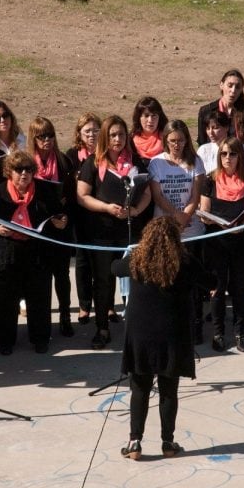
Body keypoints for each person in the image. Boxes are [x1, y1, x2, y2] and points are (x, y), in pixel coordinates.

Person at [115, 216, 215, 460]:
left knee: (140, 388)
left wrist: (135, 252)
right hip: (173, 333)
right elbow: (211, 282)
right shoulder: (185, 262)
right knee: (169, 389)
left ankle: (135, 441)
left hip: (141, 333)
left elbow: (114, 268)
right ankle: (168, 442)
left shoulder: (136, 261)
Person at [0, 151, 67, 355]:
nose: (24, 174)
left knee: (39, 296)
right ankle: (6, 340)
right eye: (19, 170)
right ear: (9, 172)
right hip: (6, 251)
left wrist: (61, 222)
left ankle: (40, 338)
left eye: (28, 170)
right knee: (5, 298)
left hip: (36, 251)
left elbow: (59, 216)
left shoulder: (45, 191)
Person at [77, 115, 151, 350]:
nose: (117, 139)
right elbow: (82, 196)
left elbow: (147, 191)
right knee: (103, 281)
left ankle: (136, 327)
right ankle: (102, 328)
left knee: (135, 280)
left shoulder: (136, 161)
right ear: (104, 138)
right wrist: (106, 207)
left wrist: (136, 209)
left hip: (128, 230)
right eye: (112, 135)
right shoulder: (92, 163)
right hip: (102, 231)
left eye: (121, 134)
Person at [149, 119, 206, 343]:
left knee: (191, 282)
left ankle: (196, 326)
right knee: (166, 281)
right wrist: (175, 217)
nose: (176, 145)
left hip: (191, 231)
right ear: (165, 141)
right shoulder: (156, 163)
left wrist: (185, 216)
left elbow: (196, 195)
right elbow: (157, 196)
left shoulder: (196, 162)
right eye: (172, 141)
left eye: (181, 140)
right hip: (164, 231)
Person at [199, 137, 244, 352]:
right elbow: (205, 212)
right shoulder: (210, 180)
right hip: (217, 243)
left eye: (232, 154)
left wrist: (243, 225)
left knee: (241, 288)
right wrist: (217, 222)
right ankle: (218, 333)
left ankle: (240, 331)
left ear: (240, 156)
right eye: (223, 154)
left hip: (241, 241)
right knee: (217, 288)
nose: (228, 158)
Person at [26, 116, 76, 337]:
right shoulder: (27, 163)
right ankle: (42, 321)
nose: (47, 140)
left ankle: (65, 316)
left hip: (61, 226)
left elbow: (72, 193)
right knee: (40, 279)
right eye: (41, 136)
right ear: (33, 139)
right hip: (38, 229)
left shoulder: (63, 161)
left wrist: (64, 215)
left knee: (62, 276)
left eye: (50, 135)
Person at [64, 112, 101, 325]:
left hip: (102, 216)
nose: (92, 135)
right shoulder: (71, 156)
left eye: (96, 130)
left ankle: (105, 306)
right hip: (80, 216)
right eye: (87, 131)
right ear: (79, 133)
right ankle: (85, 305)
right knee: (83, 261)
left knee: (104, 263)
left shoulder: (105, 154)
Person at [197, 69, 244, 165]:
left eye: (238, 87)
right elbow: (203, 141)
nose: (233, 90)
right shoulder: (206, 111)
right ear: (221, 85)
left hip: (242, 157)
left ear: (241, 89)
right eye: (230, 85)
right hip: (214, 157)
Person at [196, 110, 244, 176]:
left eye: (215, 128)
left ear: (226, 127)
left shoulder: (243, 149)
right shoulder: (203, 150)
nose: (211, 132)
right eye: (208, 128)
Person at [130, 96, 168, 160]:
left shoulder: (167, 139)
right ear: (139, 118)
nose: (150, 120)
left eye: (154, 116)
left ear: (159, 117)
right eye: (146, 115)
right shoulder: (130, 140)